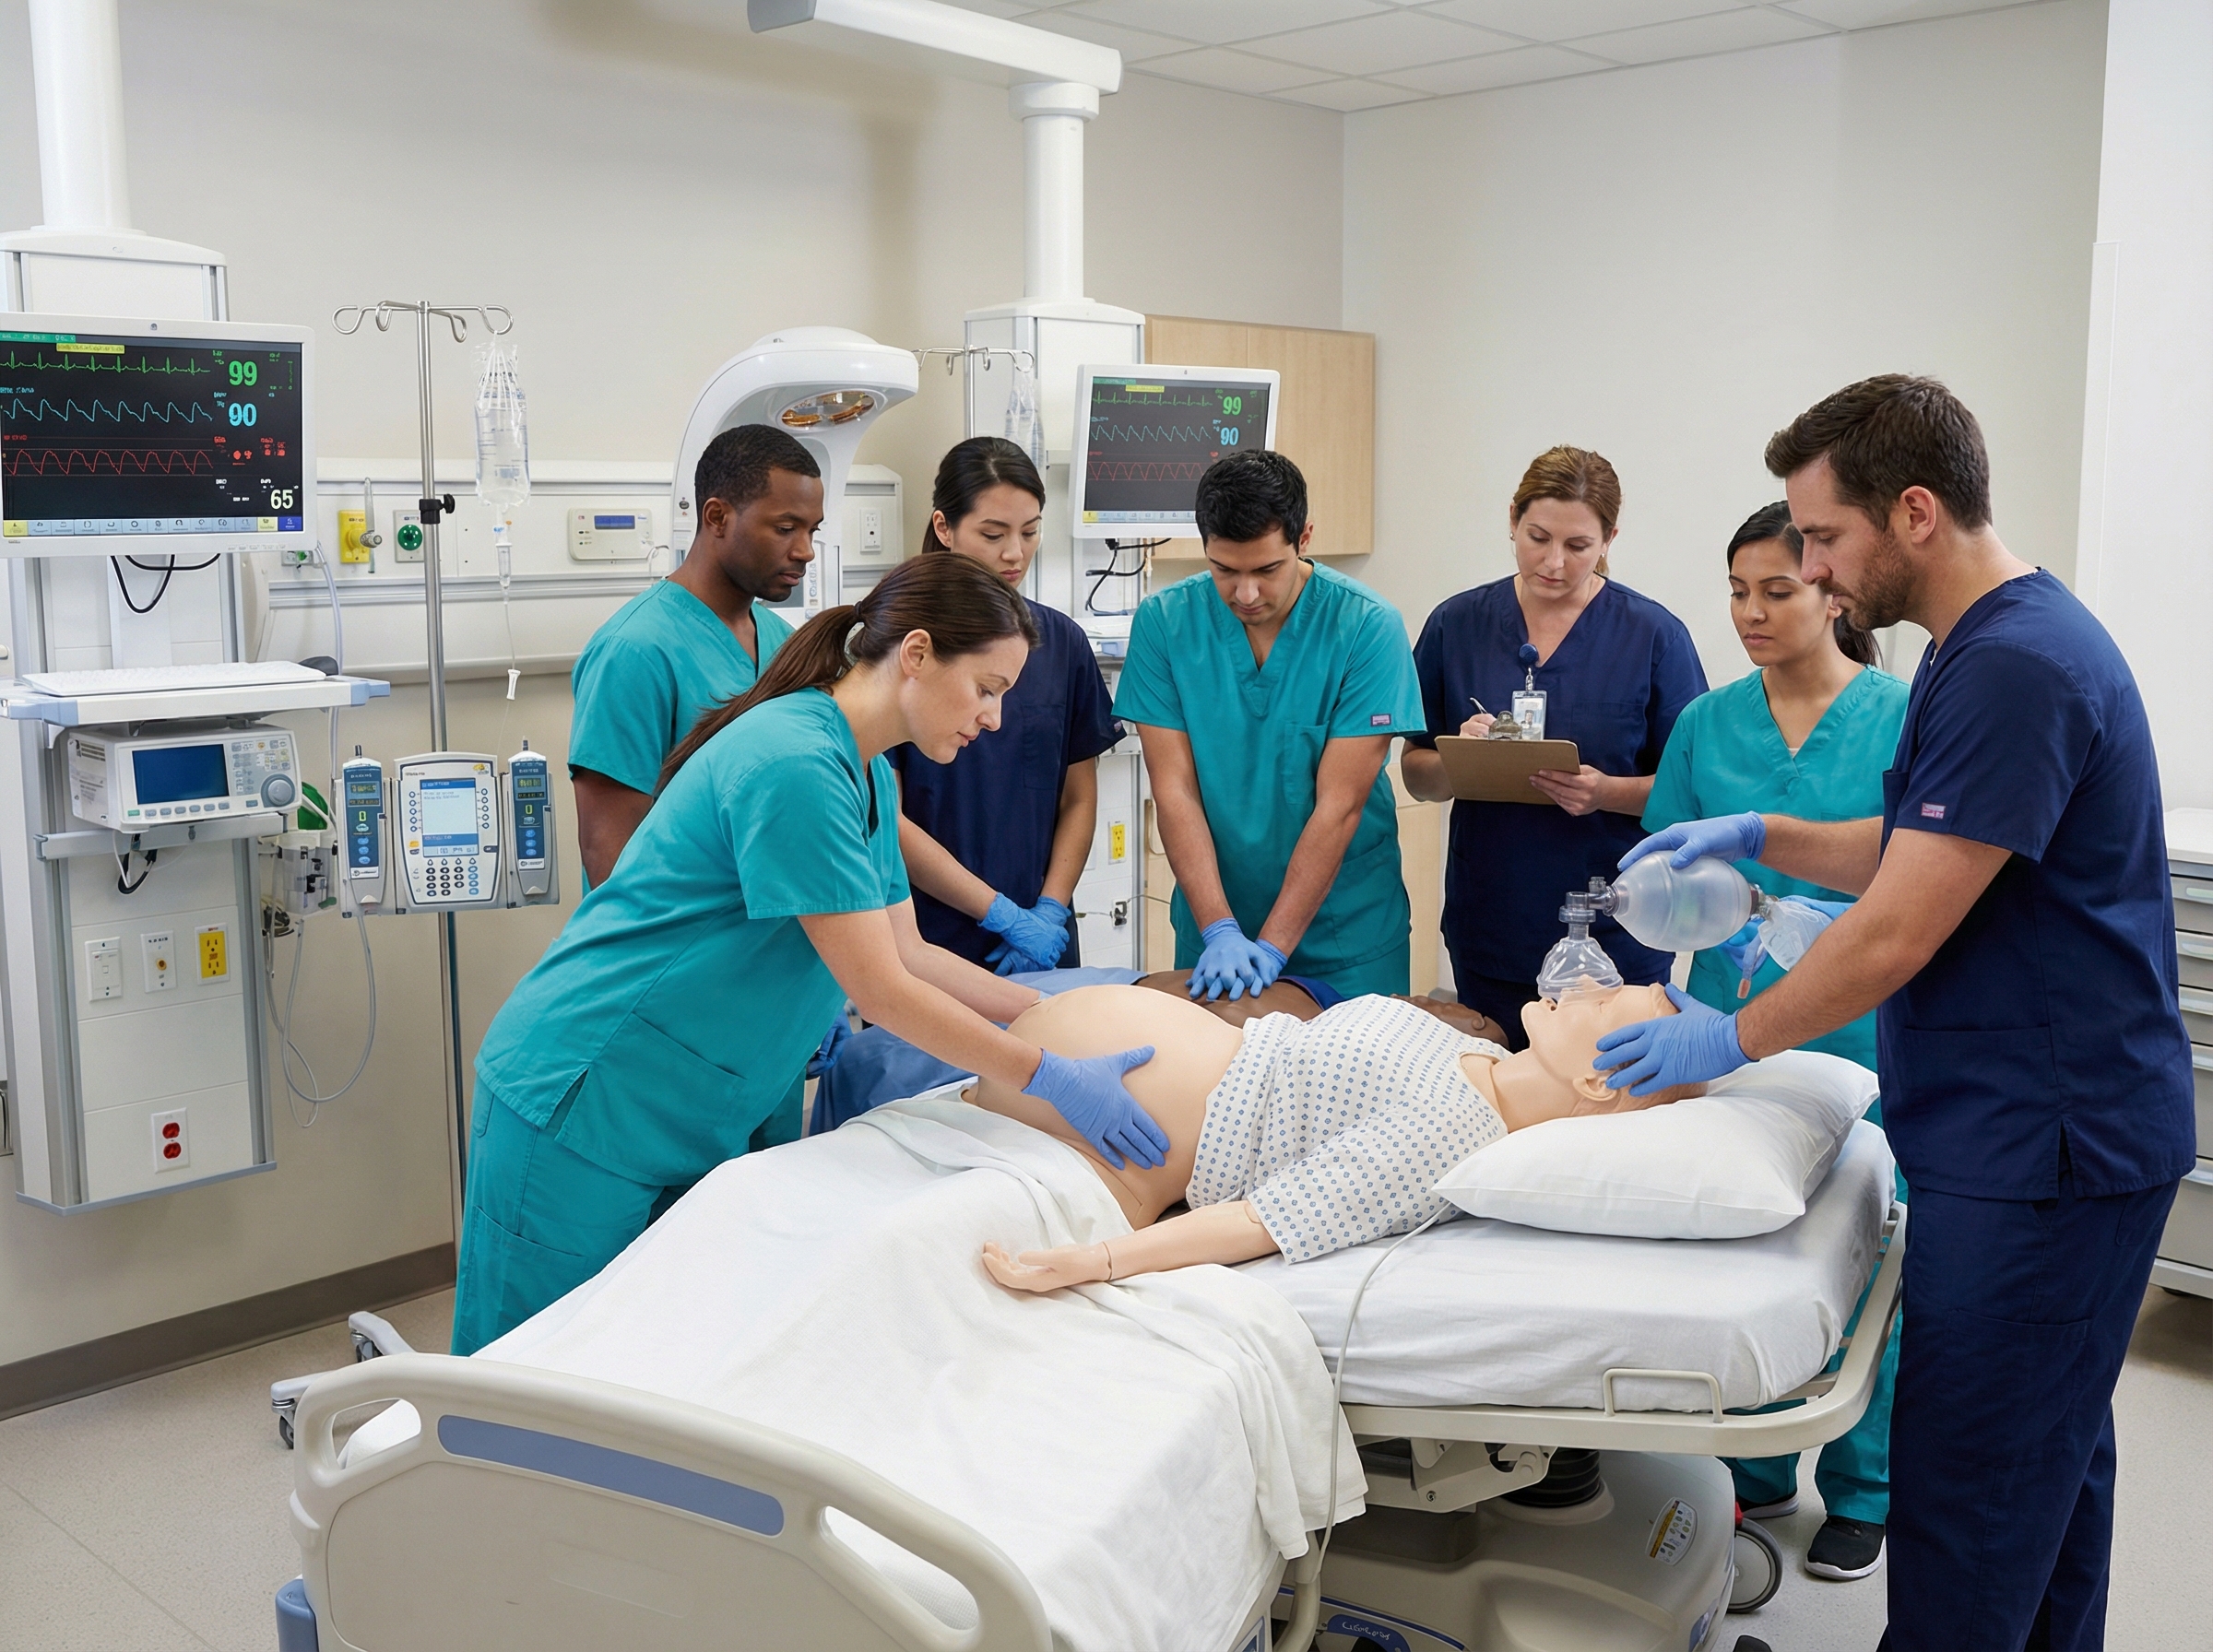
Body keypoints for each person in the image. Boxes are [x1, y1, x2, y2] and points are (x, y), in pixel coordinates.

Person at [1594, 376, 2195, 1652]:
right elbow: (1905, 848)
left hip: (2046, 1143)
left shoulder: (2016, 665)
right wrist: (1767, 835)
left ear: (1914, 512)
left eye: (1821, 540)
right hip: (2036, 1127)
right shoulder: (1981, 649)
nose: (1808, 570)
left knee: (1975, 1494)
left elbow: (1899, 928)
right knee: (2050, 1468)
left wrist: (1728, 1038)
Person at [453, 555, 1170, 1354]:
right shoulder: (796, 761)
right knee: (528, 1383)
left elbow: (912, 951)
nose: (995, 718)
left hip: (696, 1100)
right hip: (588, 1088)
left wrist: (1052, 1014)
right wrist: (1049, 1075)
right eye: (988, 689)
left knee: (653, 1370)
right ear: (919, 654)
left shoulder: (866, 772)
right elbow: (884, 992)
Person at [1643, 499, 1910, 1582]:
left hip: (1870, 1031)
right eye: (1739, 591)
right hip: (1731, 1034)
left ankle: (1866, 1484)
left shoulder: (1902, 713)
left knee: (1874, 1258)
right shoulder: (1707, 724)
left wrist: (1810, 920)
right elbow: (1655, 877)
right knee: (1747, 1249)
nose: (1752, 612)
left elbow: (1924, 882)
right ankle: (1749, 1472)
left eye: (1779, 589)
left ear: (1830, 591)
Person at [976, 982, 1696, 1289]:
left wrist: (1097, 1261)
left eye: (1602, 1004)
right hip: (1070, 1074)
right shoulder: (1487, 1057)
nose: (1580, 989)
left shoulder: (1449, 1138)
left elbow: (1261, 1221)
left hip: (1116, 1144)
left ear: (1599, 1085)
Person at [565, 424, 826, 1150]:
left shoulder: (783, 647)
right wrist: (701, 993)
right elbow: (609, 851)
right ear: (717, 518)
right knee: (674, 1238)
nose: (804, 549)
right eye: (785, 527)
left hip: (758, 1008)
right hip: (671, 1009)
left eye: (813, 529)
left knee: (754, 1223)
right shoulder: (636, 651)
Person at [1402, 447, 1707, 1047]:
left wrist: (1606, 793)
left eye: (1578, 546)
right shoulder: (1456, 625)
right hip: (1493, 921)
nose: (1554, 562)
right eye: (1537, 537)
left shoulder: (1654, 636)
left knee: (1606, 1103)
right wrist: (1460, 762)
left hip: (1617, 931)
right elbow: (1416, 775)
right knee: (1496, 1101)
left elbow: (1692, 792)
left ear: (1610, 539)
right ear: (1512, 518)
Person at [1115, 450, 1425, 1002]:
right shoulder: (1165, 623)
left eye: (1266, 570)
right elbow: (1175, 790)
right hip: (1217, 925)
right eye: (1224, 571)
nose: (1246, 594)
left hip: (1344, 932)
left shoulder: (1366, 627)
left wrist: (1276, 946)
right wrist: (1217, 929)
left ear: (1304, 538)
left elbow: (1340, 805)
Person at [892, 439, 1121, 974]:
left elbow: (1079, 797)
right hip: (931, 936)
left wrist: (1046, 911)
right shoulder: (898, 645)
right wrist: (998, 914)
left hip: (1042, 937)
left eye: (1031, 531)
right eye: (993, 535)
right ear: (945, 528)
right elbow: (888, 820)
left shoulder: (1060, 643)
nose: (1015, 553)